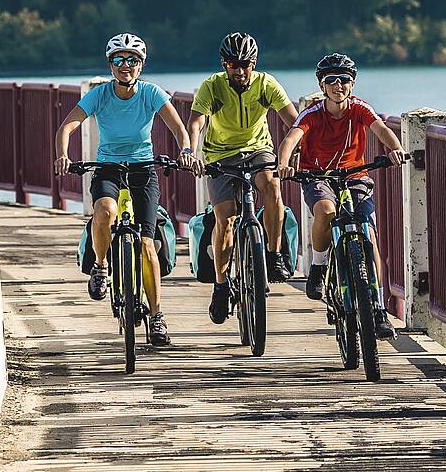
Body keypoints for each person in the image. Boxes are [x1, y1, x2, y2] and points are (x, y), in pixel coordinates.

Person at [54, 33, 194, 347]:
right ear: (110, 64)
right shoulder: (100, 94)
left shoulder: (151, 93)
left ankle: (157, 316)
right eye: (119, 60)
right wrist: (63, 155)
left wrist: (185, 151)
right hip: (109, 168)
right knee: (105, 211)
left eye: (132, 60)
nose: (126, 66)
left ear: (141, 65)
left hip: (144, 169)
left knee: (147, 244)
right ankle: (101, 267)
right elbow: (68, 125)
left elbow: (178, 128)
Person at [276, 52, 407, 340]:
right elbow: (292, 138)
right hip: (317, 176)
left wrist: (394, 149)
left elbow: (381, 129)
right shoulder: (312, 113)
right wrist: (284, 164)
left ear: (353, 84)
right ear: (322, 86)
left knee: (368, 234)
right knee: (325, 211)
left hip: (355, 176)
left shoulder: (360, 109)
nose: (338, 86)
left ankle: (378, 307)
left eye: (344, 80)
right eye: (331, 81)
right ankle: (319, 266)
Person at [188, 31, 299, 325]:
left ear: (254, 62)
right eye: (233, 64)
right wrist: (190, 150)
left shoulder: (266, 84)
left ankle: (274, 255)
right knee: (225, 219)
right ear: (224, 64)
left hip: (258, 149)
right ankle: (221, 284)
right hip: (220, 156)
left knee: (272, 186)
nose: (240, 70)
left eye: (246, 64)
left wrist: (300, 151)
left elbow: (295, 122)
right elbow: (196, 121)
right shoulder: (212, 87)